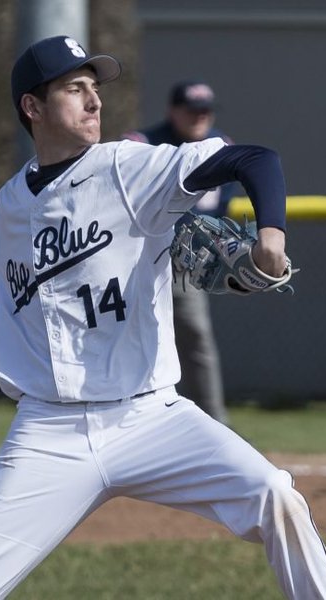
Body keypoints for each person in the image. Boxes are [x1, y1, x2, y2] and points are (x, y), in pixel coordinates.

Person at [0, 35, 326, 600]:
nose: (94, 101)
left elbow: (254, 159)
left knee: (275, 493)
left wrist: (270, 235)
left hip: (151, 417)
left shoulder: (130, 168)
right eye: (74, 89)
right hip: (49, 432)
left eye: (95, 88)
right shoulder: (14, 203)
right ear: (33, 106)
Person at [123, 80, 232, 424]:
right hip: (134, 261)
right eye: (191, 110)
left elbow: (217, 213)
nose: (199, 117)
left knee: (195, 336)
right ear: (172, 111)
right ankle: (128, 419)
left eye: (205, 111)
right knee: (130, 336)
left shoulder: (222, 148)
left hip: (185, 264)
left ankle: (213, 423)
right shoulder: (143, 145)